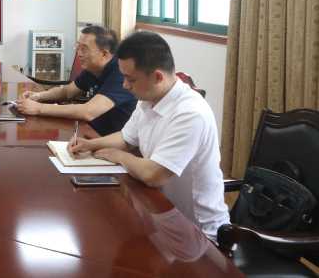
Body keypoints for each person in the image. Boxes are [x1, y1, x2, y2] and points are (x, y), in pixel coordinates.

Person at [69, 31, 229, 238]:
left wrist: (117, 156)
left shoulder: (190, 113)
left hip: (197, 233)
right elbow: (126, 138)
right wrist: (91, 144)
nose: (125, 85)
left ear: (158, 77)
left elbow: (153, 175)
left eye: (130, 79)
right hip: (159, 213)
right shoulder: (148, 98)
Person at [16, 25, 138, 136]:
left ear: (104, 54)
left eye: (84, 49)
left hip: (113, 140)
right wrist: (38, 96)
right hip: (91, 130)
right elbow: (67, 92)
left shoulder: (121, 73)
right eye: (78, 47)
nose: (78, 53)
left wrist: (39, 108)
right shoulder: (93, 68)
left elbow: (88, 112)